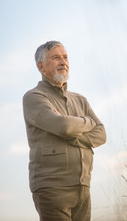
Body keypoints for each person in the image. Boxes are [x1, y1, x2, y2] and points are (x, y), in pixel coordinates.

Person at [23, 41, 106, 221]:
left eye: (65, 57)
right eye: (56, 57)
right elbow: (63, 126)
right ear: (41, 66)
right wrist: (88, 121)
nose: (63, 62)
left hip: (83, 188)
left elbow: (101, 134)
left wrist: (74, 138)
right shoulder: (34, 97)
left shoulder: (80, 100)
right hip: (52, 188)